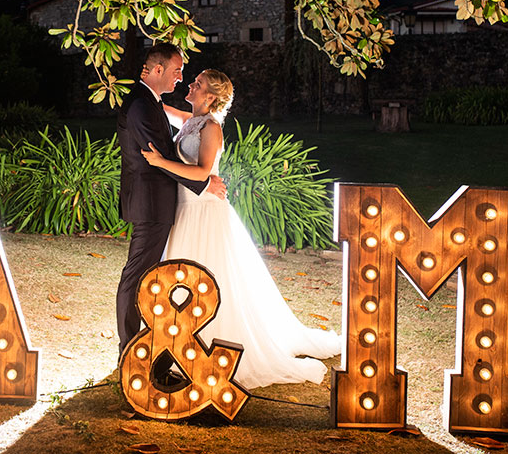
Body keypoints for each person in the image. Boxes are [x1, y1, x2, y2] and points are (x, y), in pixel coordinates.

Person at [142, 68, 340, 389]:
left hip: (204, 213)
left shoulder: (211, 128)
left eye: (198, 83)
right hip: (185, 210)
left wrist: (160, 162)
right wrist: (144, 93)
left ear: (210, 97)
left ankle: (204, 343)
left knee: (206, 275)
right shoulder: (191, 120)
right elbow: (161, 108)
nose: (191, 84)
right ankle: (176, 340)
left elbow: (205, 172)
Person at [115, 43, 226, 359]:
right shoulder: (141, 105)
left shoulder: (152, 103)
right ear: (158, 70)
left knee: (151, 276)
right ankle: (129, 350)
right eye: (178, 71)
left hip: (167, 204)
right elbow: (159, 157)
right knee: (137, 276)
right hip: (152, 204)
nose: (182, 79)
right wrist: (204, 183)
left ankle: (149, 346)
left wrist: (204, 180)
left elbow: (168, 152)